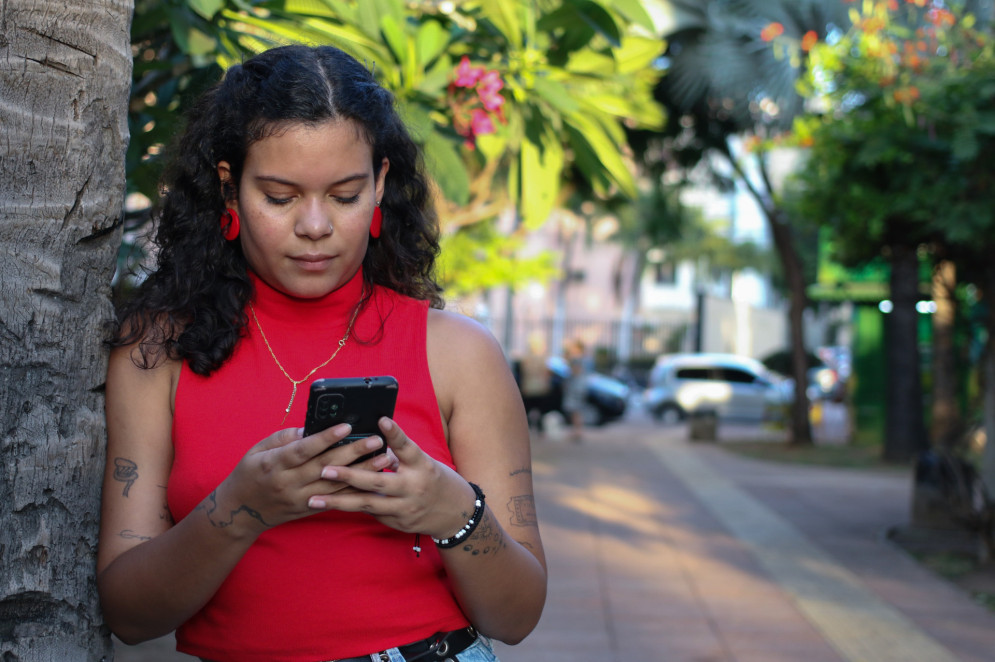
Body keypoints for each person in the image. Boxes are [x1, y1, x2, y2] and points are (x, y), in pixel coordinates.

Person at [97, 44, 546, 662]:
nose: (315, 226)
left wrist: (452, 511)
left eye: (345, 195)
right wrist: (240, 509)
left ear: (382, 186)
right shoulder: (157, 353)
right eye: (280, 197)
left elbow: (518, 616)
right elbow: (128, 614)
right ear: (229, 189)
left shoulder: (459, 353)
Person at [517, 333, 553, 438]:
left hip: (529, 387)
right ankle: (539, 430)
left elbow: (523, 373)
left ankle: (526, 430)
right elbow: (546, 373)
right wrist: (547, 384)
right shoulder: (543, 358)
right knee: (539, 409)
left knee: (527, 409)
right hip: (539, 387)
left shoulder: (526, 357)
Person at [562, 339, 590, 443]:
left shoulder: (576, 359)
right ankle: (578, 431)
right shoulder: (584, 358)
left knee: (575, 410)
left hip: (576, 387)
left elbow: (575, 371)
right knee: (577, 411)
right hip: (580, 386)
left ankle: (577, 431)